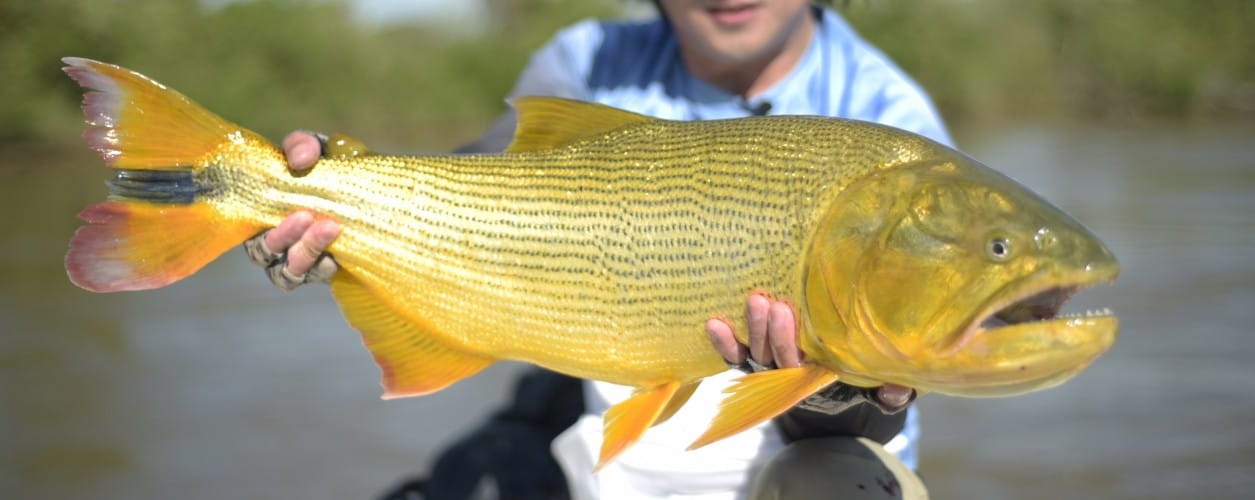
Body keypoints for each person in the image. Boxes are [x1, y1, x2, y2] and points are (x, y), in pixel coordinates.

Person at [249, 1, 950, 498]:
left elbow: (888, 405)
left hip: (811, 455)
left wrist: (831, 387)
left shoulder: (893, 123)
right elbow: (478, 181)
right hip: (613, 426)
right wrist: (341, 198)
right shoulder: (587, 59)